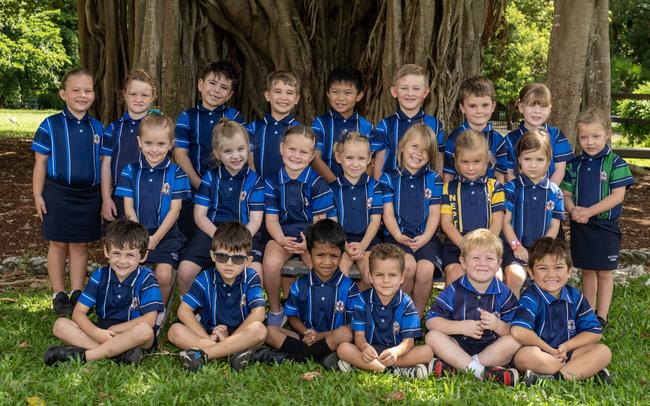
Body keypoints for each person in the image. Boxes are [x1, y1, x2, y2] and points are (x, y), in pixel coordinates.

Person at [32, 69, 104, 316]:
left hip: (89, 195)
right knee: (58, 243)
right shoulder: (50, 125)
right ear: (63, 94)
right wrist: (37, 194)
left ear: (94, 95)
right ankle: (58, 293)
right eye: (76, 90)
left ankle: (77, 291)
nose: (82, 95)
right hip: (58, 193)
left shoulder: (98, 128)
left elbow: (104, 165)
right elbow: (40, 163)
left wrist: (104, 197)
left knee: (80, 245)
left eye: (88, 90)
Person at [44, 220, 164, 366]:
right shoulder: (100, 275)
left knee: (145, 331)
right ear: (106, 251)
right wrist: (96, 332)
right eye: (116, 253)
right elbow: (78, 313)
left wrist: (116, 330)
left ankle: (85, 356)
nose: (122, 261)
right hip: (103, 331)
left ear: (143, 256)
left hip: (133, 334)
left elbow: (149, 320)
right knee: (60, 325)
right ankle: (119, 355)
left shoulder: (147, 277)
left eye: (130, 255)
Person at [560, 108, 634, 328]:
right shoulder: (575, 164)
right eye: (584, 137)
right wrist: (573, 210)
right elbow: (566, 194)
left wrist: (589, 211)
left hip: (605, 226)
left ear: (608, 134)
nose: (589, 142)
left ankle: (602, 316)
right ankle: (589, 312)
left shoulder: (617, 163)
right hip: (580, 225)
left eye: (595, 136)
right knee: (587, 270)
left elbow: (617, 196)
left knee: (604, 271)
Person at [177, 119, 265, 294]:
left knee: (255, 272)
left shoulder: (256, 181)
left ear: (248, 148)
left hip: (246, 234)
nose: (236, 156)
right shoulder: (210, 178)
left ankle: (247, 313)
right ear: (217, 154)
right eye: (228, 151)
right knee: (185, 270)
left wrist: (240, 241)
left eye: (240, 149)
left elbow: (255, 220)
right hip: (213, 231)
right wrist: (219, 238)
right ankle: (193, 313)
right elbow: (200, 216)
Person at [167, 222, 267, 372]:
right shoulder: (205, 278)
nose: (229, 263)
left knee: (259, 330)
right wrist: (207, 338)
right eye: (222, 256)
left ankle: (204, 355)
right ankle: (232, 353)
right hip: (210, 333)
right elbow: (183, 311)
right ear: (213, 256)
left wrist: (230, 339)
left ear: (248, 261)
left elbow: (259, 313)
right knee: (174, 331)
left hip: (242, 333)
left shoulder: (251, 277)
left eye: (237, 258)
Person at [425, 229, 520, 386]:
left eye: (489, 258)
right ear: (462, 262)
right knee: (432, 337)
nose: (482, 263)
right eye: (475, 258)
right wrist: (460, 327)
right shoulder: (454, 290)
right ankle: (482, 372)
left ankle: (462, 367)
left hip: (492, 348)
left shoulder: (504, 293)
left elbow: (514, 329)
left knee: (515, 340)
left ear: (498, 264)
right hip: (458, 345)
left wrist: (497, 325)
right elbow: (431, 321)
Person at [511, 237, 612, 385]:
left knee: (603, 351)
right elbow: (518, 331)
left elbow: (594, 332)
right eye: (543, 268)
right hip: (540, 352)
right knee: (523, 357)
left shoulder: (575, 296)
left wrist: (566, 346)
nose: (551, 274)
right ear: (531, 273)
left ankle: (555, 378)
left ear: (569, 271)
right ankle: (582, 371)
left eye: (558, 267)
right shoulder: (531, 297)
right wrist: (550, 351)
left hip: (567, 352)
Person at [263, 126, 336, 326]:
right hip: (283, 235)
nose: (296, 156)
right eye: (292, 149)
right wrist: (280, 240)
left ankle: (319, 311)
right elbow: (271, 220)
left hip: (313, 236)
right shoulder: (272, 182)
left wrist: (309, 245)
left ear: (312, 155)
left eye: (304, 152)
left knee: (319, 264)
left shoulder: (318, 183)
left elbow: (320, 223)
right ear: (281, 148)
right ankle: (277, 311)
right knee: (270, 263)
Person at [115, 112, 191, 305]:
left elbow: (175, 210)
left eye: (160, 144)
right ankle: (131, 308)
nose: (154, 150)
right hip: (135, 233)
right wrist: (140, 238)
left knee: (164, 275)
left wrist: (155, 238)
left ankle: (157, 313)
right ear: (139, 142)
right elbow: (129, 209)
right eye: (148, 143)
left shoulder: (177, 173)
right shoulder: (130, 171)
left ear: (170, 144)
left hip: (166, 235)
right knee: (130, 272)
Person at [264, 220, 358, 367]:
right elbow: (292, 316)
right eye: (320, 255)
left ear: (341, 255)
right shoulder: (300, 285)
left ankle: (291, 359)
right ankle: (323, 357)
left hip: (332, 337)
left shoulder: (348, 287)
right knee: (269, 331)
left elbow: (353, 324)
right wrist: (307, 332)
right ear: (309, 254)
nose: (327, 262)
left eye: (333, 256)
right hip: (306, 337)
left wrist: (321, 336)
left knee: (345, 334)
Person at [335, 244, 433, 379]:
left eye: (392, 275)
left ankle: (364, 365)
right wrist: (364, 347)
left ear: (402, 277)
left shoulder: (407, 303)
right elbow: (359, 336)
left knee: (427, 352)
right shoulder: (362, 301)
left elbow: (409, 342)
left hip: (396, 353)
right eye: (379, 275)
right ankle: (397, 371)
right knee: (343, 348)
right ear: (370, 276)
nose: (386, 281)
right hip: (371, 351)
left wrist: (395, 352)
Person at [173, 61, 245, 238]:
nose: (216, 90)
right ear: (200, 85)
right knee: (191, 232)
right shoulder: (187, 117)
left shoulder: (233, 116)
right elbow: (179, 153)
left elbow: (243, 151)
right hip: (193, 185)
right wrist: (199, 184)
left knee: (227, 230)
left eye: (223, 87)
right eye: (212, 83)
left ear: (230, 94)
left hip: (228, 187)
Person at [379, 124, 443, 317]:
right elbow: (388, 213)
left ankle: (417, 315)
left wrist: (425, 237)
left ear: (431, 155)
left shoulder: (434, 179)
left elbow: (434, 213)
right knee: (407, 266)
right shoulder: (388, 178)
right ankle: (400, 313)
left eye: (425, 150)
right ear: (402, 147)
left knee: (425, 269)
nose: (418, 153)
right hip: (397, 237)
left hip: (426, 237)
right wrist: (398, 235)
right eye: (414, 147)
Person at [501, 129, 564, 297]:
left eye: (539, 159)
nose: (533, 165)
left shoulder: (555, 192)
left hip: (543, 248)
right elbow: (505, 222)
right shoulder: (511, 188)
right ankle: (512, 316)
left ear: (548, 161)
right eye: (527, 159)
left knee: (549, 277)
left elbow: (554, 225)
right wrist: (516, 246)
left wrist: (541, 250)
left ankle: (544, 315)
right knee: (515, 276)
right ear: (519, 160)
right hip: (514, 246)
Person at [440, 130, 505, 286]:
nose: (470, 167)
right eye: (465, 162)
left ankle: (489, 311)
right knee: (455, 276)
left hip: (487, 246)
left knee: (496, 278)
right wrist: (466, 246)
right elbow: (446, 223)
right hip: (457, 245)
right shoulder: (449, 188)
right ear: (456, 161)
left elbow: (497, 221)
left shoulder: (495, 187)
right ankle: (457, 311)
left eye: (476, 162)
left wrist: (484, 248)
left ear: (486, 161)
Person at [101, 69, 157, 220]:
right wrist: (106, 199)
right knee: (118, 240)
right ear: (125, 94)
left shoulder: (157, 128)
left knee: (146, 240)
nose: (138, 99)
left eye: (145, 95)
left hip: (151, 195)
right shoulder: (113, 128)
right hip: (119, 194)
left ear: (152, 97)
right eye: (133, 94)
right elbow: (106, 165)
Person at [371, 64, 444, 179]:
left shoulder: (434, 125)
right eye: (404, 88)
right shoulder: (385, 126)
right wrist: (379, 191)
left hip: (424, 192)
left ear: (425, 92)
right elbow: (378, 164)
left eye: (416, 88)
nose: (410, 93)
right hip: (392, 192)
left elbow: (439, 160)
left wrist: (438, 186)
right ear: (394, 91)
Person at [330, 132, 382, 290]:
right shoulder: (331, 189)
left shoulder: (375, 187)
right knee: (339, 274)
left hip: (368, 242)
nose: (355, 164)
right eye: (349, 158)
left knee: (369, 276)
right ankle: (343, 310)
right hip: (340, 242)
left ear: (369, 159)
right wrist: (346, 247)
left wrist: (363, 245)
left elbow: (375, 220)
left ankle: (361, 309)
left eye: (360, 158)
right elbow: (333, 224)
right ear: (339, 158)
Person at [310, 67, 373, 182]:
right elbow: (315, 158)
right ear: (328, 94)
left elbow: (371, 162)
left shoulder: (366, 126)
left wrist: (358, 185)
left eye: (347, 93)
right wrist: (337, 185)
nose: (340, 98)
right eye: (335, 92)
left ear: (359, 96)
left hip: (357, 189)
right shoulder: (320, 123)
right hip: (325, 189)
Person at [504, 83, 573, 185]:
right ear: (521, 107)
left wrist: (547, 194)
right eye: (531, 105)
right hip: (520, 197)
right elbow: (509, 173)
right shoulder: (509, 139)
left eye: (543, 106)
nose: (537, 111)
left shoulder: (556, 136)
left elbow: (560, 170)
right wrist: (519, 195)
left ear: (549, 109)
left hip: (549, 196)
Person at [443, 76, 508, 183]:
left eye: (485, 105)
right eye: (472, 106)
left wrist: (498, 197)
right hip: (460, 196)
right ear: (462, 107)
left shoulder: (498, 140)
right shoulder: (454, 139)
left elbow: (500, 175)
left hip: (489, 197)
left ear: (493, 106)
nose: (479, 111)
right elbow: (448, 174)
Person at [247, 70, 302, 179]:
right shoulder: (253, 128)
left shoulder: (300, 130)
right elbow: (249, 161)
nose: (283, 97)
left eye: (289, 93)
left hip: (289, 190)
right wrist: (256, 186)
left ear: (296, 99)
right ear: (267, 95)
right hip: (259, 190)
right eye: (278, 91)